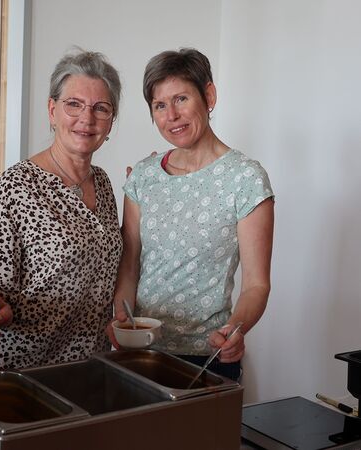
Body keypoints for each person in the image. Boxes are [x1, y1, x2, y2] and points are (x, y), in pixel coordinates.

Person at [108, 48, 274, 381]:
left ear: (208, 96)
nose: (171, 115)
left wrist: (234, 329)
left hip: (208, 358)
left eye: (181, 99)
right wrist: (121, 319)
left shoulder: (245, 178)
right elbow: (129, 266)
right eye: (159, 105)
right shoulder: (143, 176)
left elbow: (256, 285)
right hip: (140, 352)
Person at [0, 49, 123, 372]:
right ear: (52, 110)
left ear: (111, 121)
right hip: (20, 371)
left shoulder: (102, 183)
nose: (87, 118)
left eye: (100, 108)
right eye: (73, 104)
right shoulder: (16, 185)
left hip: (87, 367)